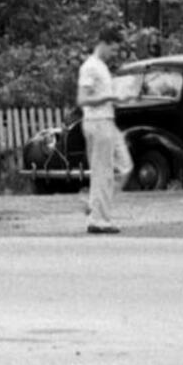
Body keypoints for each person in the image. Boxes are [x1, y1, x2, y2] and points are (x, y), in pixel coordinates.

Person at [76, 34, 126, 232]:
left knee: (124, 166)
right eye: (112, 49)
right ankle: (98, 220)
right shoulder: (90, 67)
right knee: (102, 172)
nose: (114, 54)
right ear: (103, 44)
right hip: (97, 122)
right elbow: (82, 99)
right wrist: (109, 97)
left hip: (107, 120)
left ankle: (94, 206)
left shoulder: (102, 67)